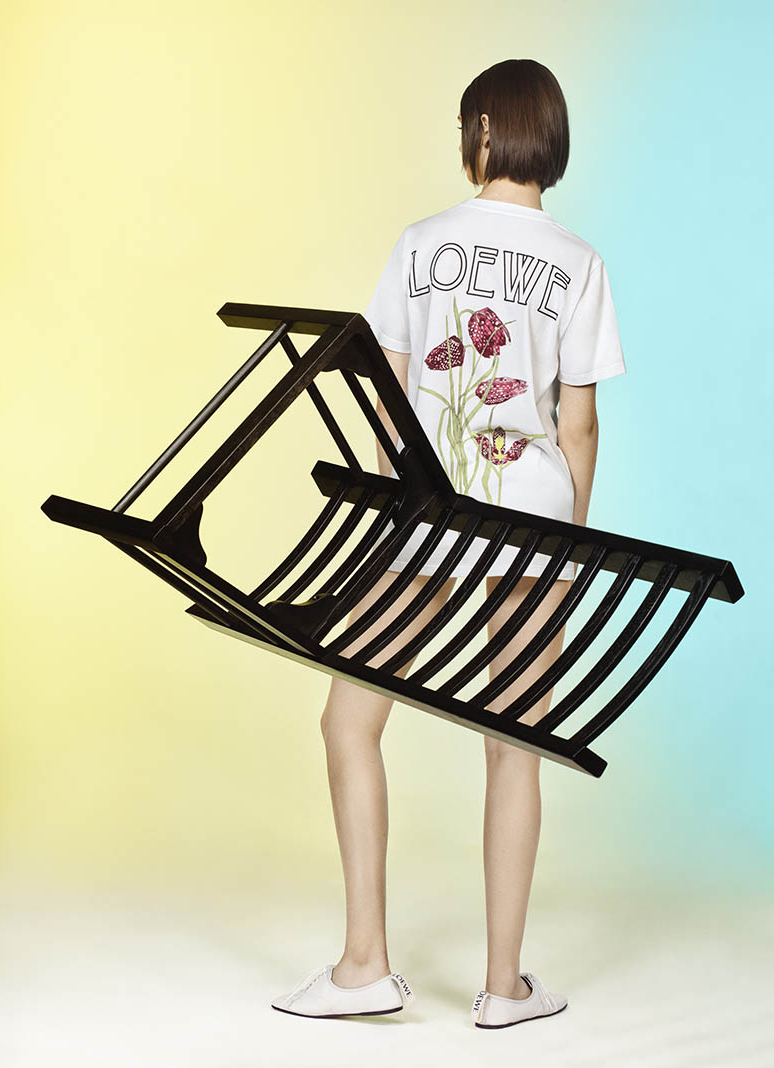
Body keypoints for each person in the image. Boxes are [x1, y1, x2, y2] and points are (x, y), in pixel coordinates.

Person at [271, 58, 626, 1028]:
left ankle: (364, 965)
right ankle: (503, 989)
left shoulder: (421, 242)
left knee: (350, 722)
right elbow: (578, 423)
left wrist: (403, 505)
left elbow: (388, 397)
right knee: (514, 746)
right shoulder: (580, 262)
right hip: (533, 515)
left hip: (426, 512)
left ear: (482, 131)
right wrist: (569, 540)